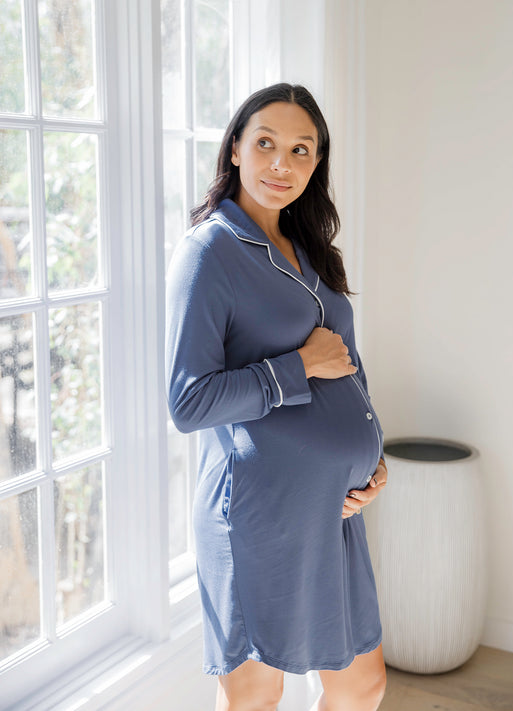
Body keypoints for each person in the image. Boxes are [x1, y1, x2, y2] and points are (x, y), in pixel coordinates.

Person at [165, 83, 388, 711]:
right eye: (265, 143)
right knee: (256, 699)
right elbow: (188, 402)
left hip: (331, 512)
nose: (281, 164)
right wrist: (294, 367)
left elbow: (345, 363)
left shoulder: (310, 250)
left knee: (363, 683)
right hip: (258, 516)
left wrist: (371, 462)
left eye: (300, 149)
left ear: (317, 164)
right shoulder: (208, 252)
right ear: (235, 148)